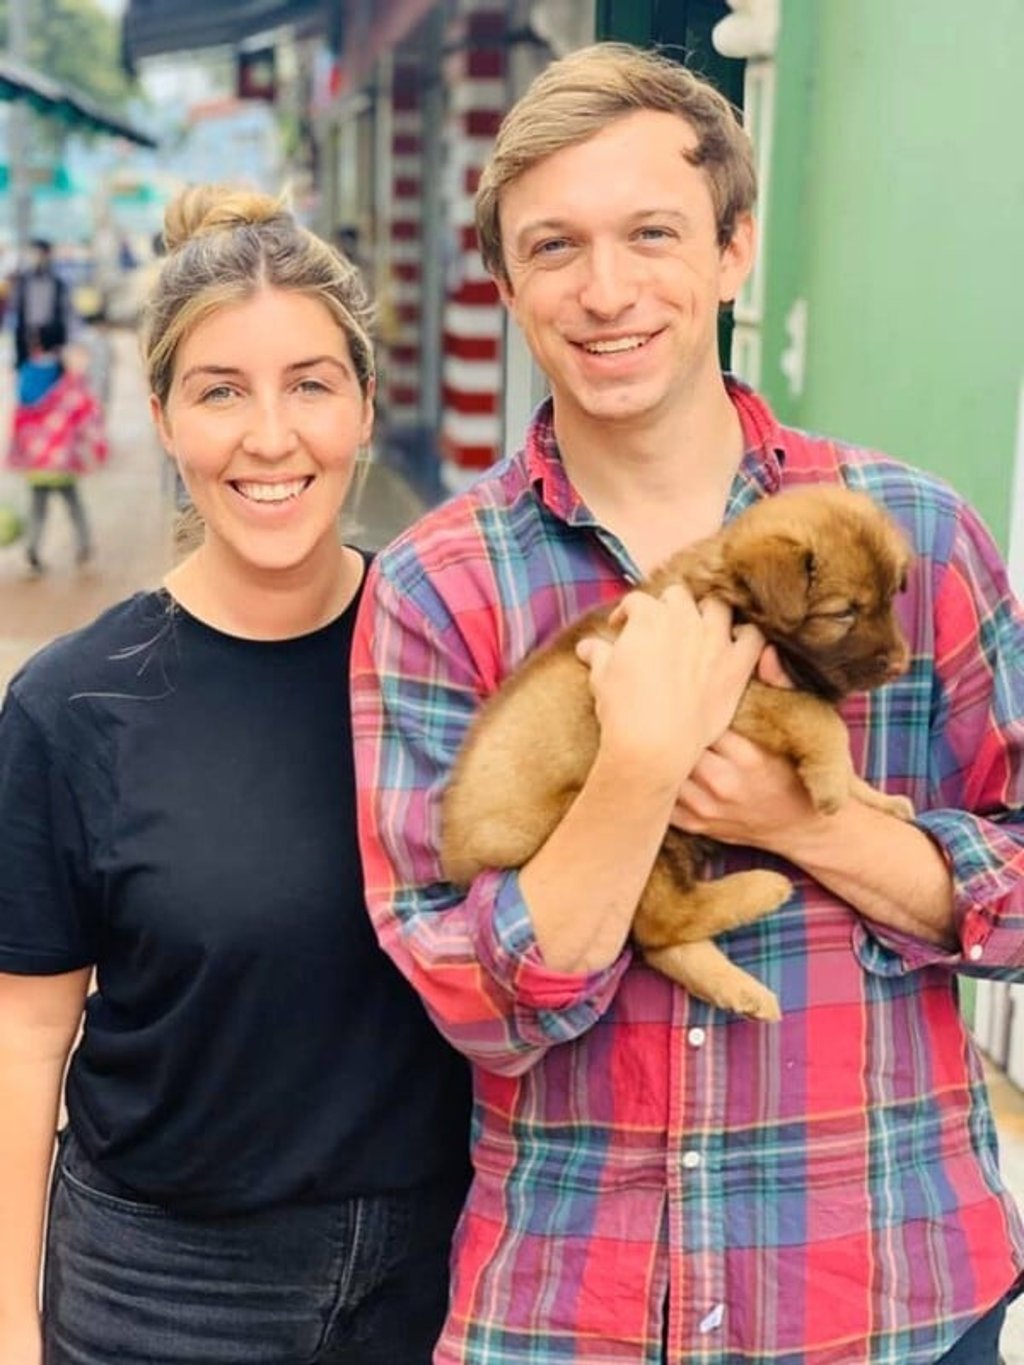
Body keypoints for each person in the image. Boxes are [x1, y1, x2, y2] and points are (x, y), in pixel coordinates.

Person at [351, 42, 1024, 1365]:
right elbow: (461, 995)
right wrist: (635, 770)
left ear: (733, 251)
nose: (605, 291)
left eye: (652, 233)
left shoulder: (918, 541)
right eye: (554, 247)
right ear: (505, 283)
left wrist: (807, 823)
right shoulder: (439, 588)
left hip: (887, 1291)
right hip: (574, 1309)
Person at [0, 185, 471, 1365]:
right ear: (162, 417)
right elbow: (22, 1040)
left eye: (311, 383)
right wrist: (8, 1325)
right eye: (220, 391)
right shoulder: (71, 705)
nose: (271, 437)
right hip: (163, 1289)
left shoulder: (459, 662)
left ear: (364, 406)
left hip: (442, 1268)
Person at [6, 318, 105, 574]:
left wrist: (17, 450)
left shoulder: (27, 371)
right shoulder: (65, 375)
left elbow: (20, 414)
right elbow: (84, 410)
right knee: (74, 504)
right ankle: (84, 546)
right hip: (62, 458)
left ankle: (33, 550)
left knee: (38, 509)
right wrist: (96, 448)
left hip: (37, 459)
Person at [8, 238, 71, 370]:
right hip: (27, 341)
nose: (37, 258)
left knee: (52, 382)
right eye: (34, 254)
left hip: (52, 342)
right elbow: (13, 311)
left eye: (41, 254)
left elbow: (67, 313)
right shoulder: (22, 282)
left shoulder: (58, 283)